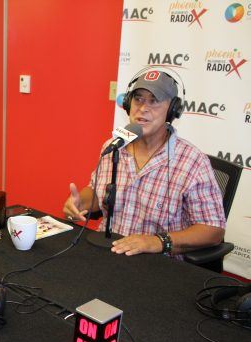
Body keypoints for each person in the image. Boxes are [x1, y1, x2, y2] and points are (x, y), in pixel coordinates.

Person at [63, 70, 225, 257]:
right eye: (138, 99)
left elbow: (213, 230)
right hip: (109, 250)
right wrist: (79, 203)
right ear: (128, 104)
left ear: (172, 110)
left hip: (156, 262)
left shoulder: (192, 162)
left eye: (154, 101)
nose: (143, 108)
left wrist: (157, 241)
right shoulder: (114, 146)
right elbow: (97, 192)